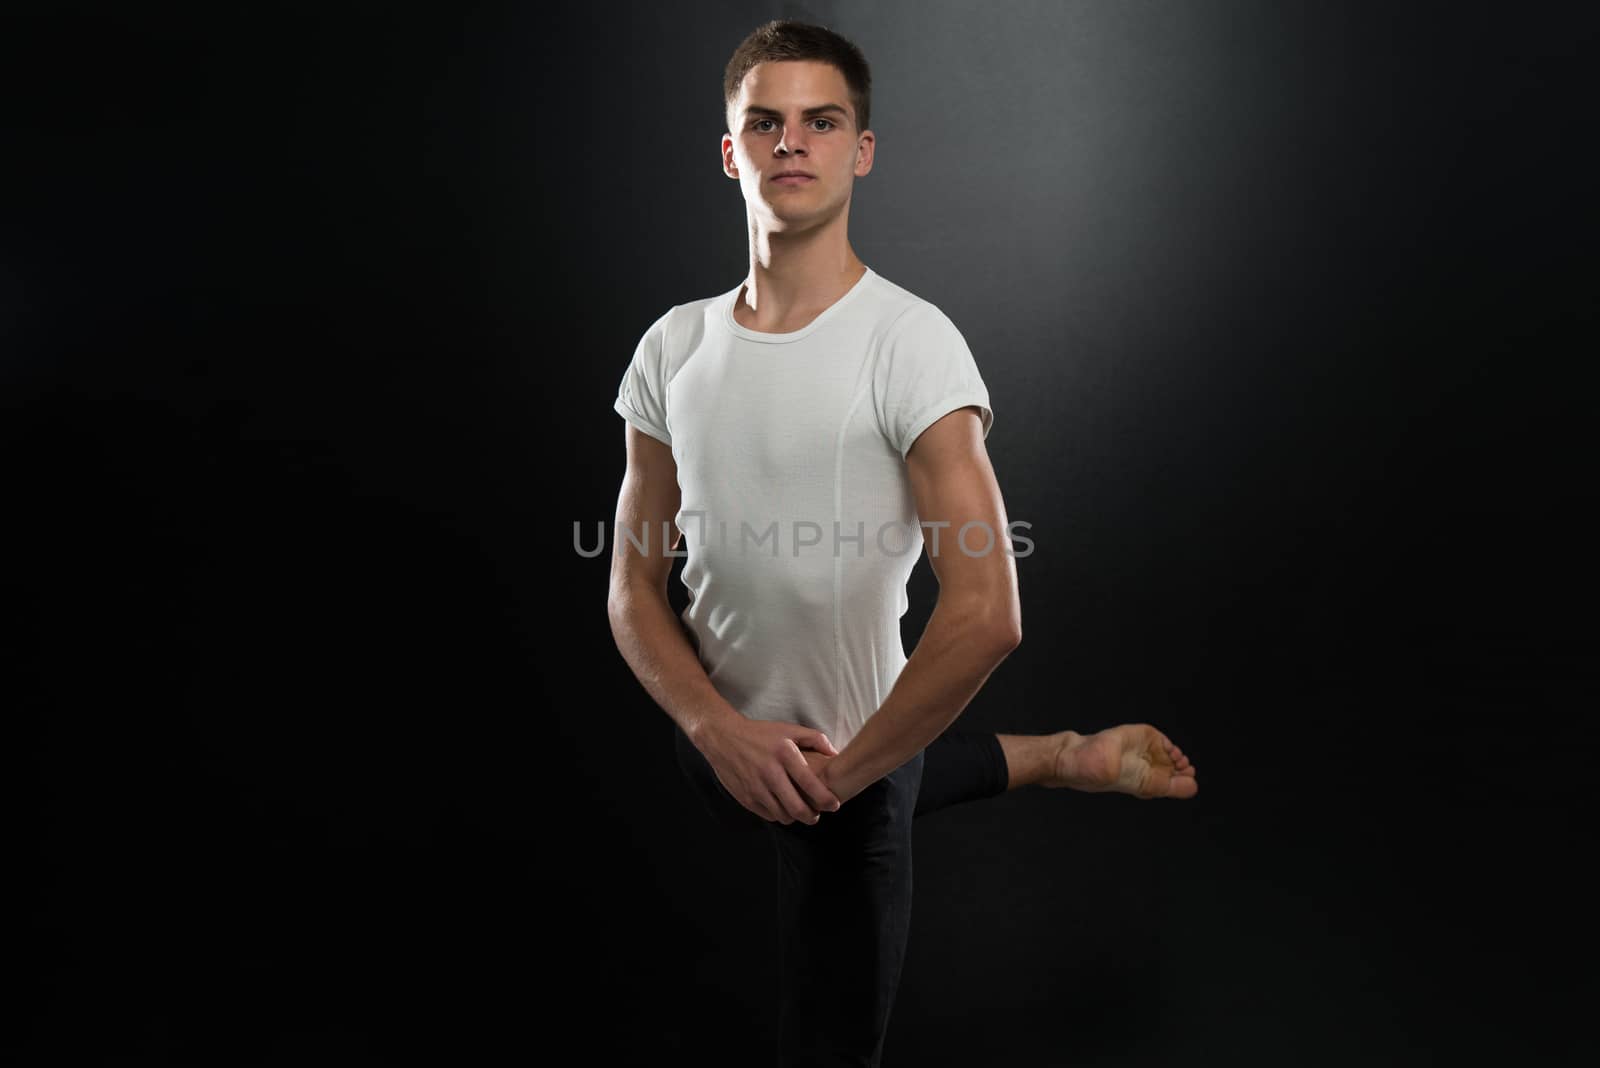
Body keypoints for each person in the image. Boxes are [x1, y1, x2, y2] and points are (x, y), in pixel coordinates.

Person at [606, 20, 1199, 1066]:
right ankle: (1058, 755)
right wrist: (711, 728)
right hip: (713, 741)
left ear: (860, 150)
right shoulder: (672, 345)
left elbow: (984, 615)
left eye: (821, 122)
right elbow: (630, 588)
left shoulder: (908, 344)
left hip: (856, 765)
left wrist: (840, 782)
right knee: (775, 788)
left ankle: (1059, 758)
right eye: (765, 122)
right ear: (729, 151)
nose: (792, 142)